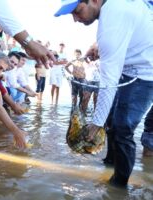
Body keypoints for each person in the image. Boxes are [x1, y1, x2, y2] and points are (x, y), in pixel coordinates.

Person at [55, 0, 153, 187]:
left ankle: (118, 186)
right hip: (131, 70)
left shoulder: (114, 15)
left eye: (77, 11)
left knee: (123, 128)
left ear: (94, 1)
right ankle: (110, 162)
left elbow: (108, 81)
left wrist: (96, 123)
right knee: (111, 122)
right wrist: (97, 45)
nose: (75, 19)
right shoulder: (116, 7)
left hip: (146, 74)